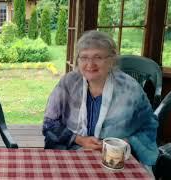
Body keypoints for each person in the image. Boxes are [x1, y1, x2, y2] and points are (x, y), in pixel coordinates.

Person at [42, 30, 158, 170]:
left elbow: (149, 126)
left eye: (98, 57)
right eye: (84, 57)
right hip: (70, 153)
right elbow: (49, 123)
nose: (90, 64)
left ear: (111, 60)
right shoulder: (68, 83)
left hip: (114, 160)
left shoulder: (130, 89)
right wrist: (80, 140)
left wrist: (120, 144)